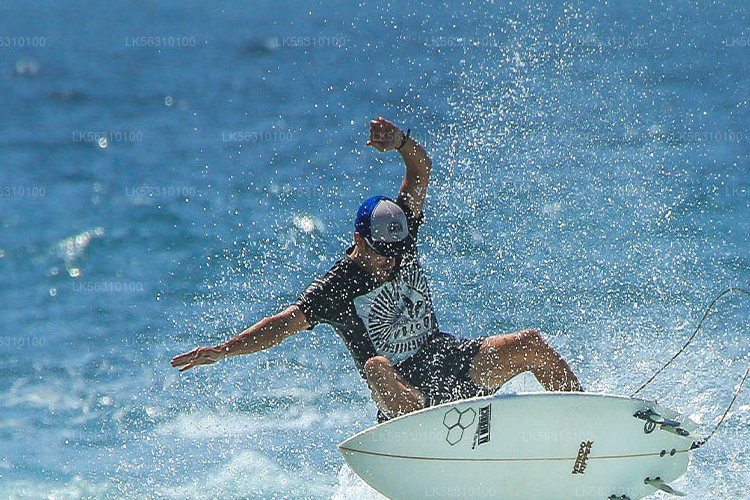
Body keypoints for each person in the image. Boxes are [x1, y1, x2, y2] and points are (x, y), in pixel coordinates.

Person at [172, 117, 583, 419]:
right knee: (376, 366)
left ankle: (588, 427)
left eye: (397, 250)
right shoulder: (338, 285)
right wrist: (223, 350)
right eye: (381, 252)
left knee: (530, 343)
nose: (390, 259)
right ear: (359, 241)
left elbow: (420, 170)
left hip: (449, 361)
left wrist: (402, 142)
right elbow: (282, 324)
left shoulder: (403, 237)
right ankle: (426, 434)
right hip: (406, 396)